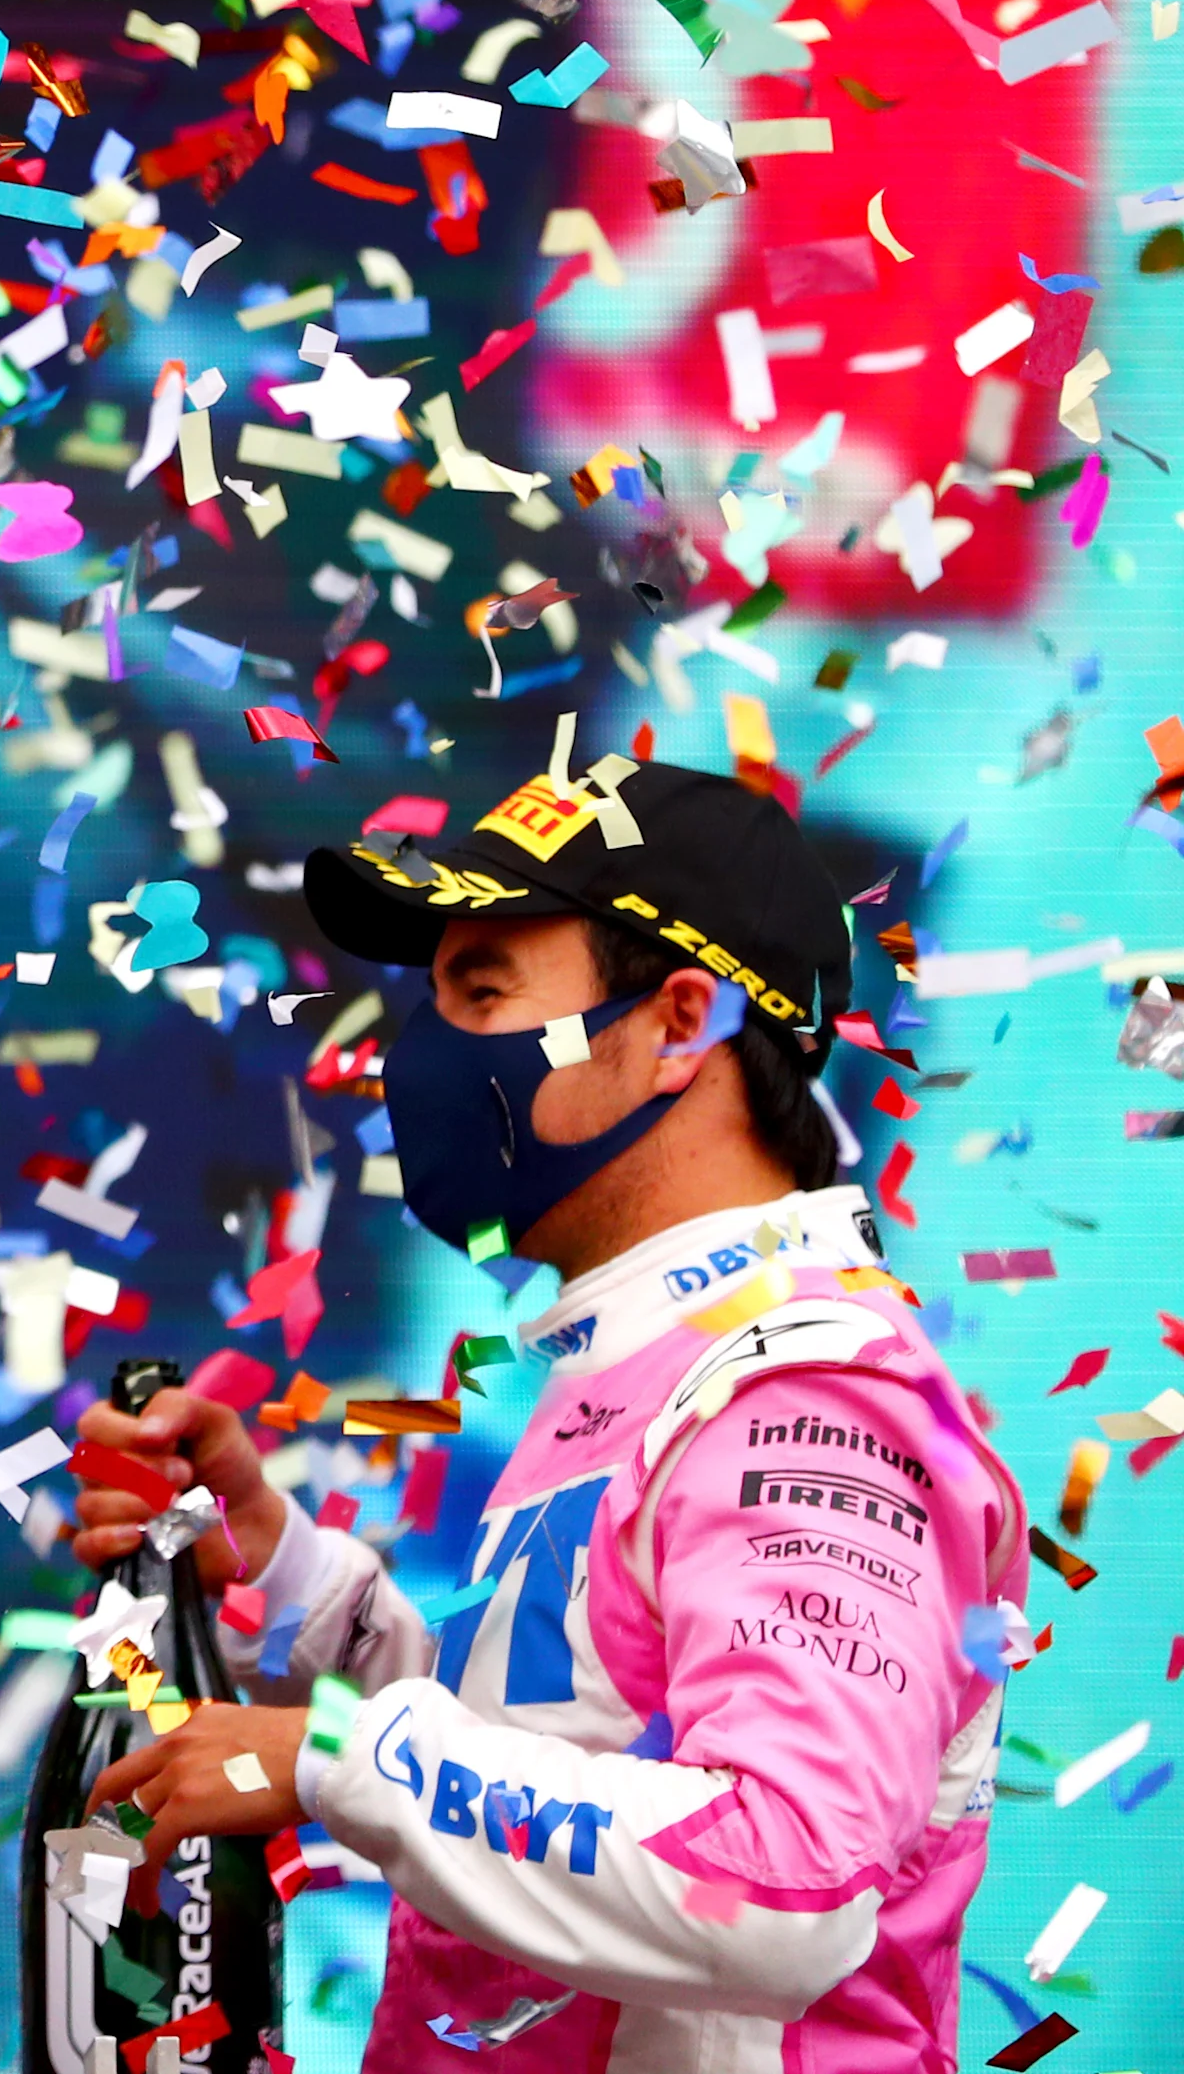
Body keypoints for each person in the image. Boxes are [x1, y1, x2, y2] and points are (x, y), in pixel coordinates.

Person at [65, 762, 1029, 2068]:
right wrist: (280, 1572)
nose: (425, 1048)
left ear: (682, 1021)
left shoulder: (806, 1393)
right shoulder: (652, 1353)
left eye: (483, 990)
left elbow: (789, 1882)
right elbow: (559, 1757)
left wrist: (335, 1760)